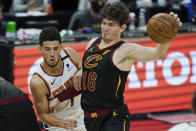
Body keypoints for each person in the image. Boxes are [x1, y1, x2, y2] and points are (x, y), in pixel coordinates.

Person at [81, 2, 182, 131]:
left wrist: (169, 30)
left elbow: (158, 54)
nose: (105, 28)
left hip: (113, 117)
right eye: (104, 23)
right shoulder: (92, 43)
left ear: (122, 27)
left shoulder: (126, 49)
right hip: (89, 118)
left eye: (111, 25)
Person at [30, 27, 86, 131]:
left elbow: (90, 79)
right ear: (40, 49)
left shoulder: (70, 55)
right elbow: (43, 114)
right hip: (59, 124)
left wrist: (83, 71)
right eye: (47, 49)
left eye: (55, 49)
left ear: (61, 47)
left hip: (83, 115)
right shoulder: (38, 81)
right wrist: (62, 124)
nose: (52, 54)